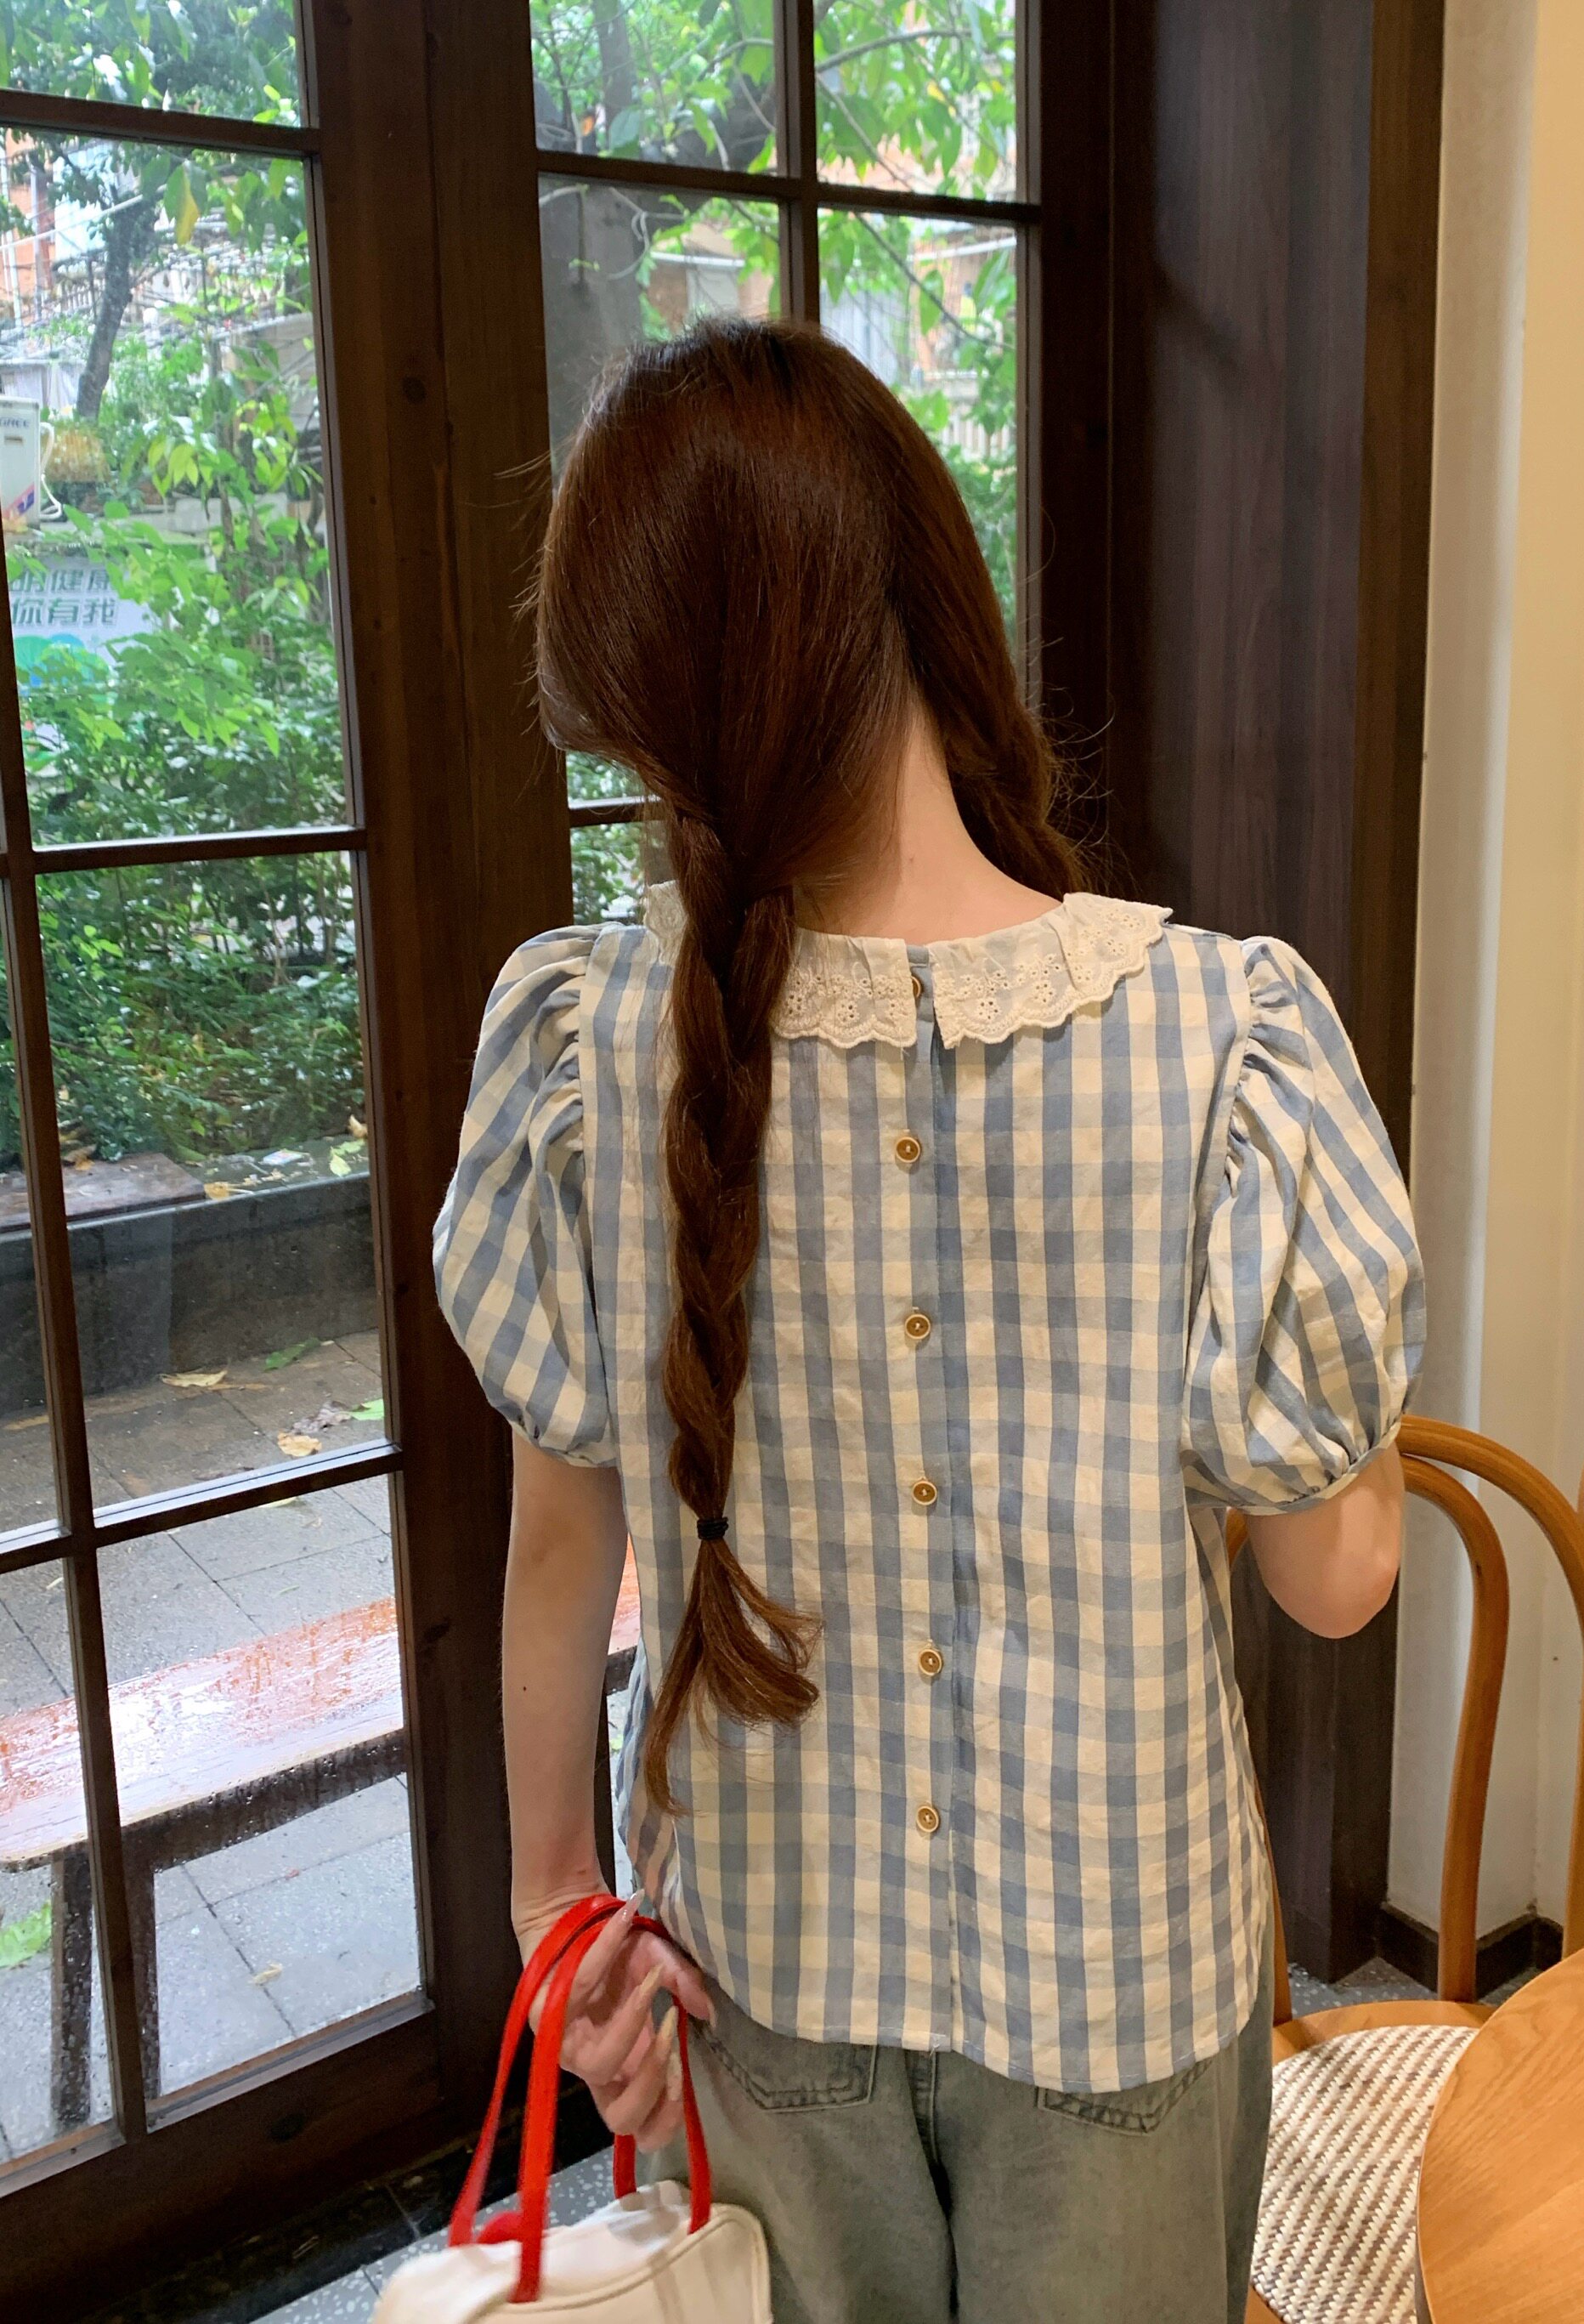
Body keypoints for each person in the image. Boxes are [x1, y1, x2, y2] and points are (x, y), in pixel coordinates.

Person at [433, 316, 1423, 2324]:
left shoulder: (583, 1046)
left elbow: (555, 1545)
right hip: (1123, 1989)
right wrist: (1343, 1362)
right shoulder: (1215, 1038)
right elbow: (1336, 1581)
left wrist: (553, 1907)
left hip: (746, 1982)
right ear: (918, 603)